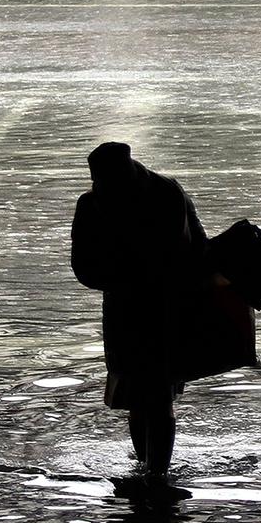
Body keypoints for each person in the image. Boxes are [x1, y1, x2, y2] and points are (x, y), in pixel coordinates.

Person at [71, 141, 207, 485]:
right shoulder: (168, 191)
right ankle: (156, 474)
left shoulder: (95, 203)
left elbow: (84, 268)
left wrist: (116, 278)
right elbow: (199, 249)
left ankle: (151, 473)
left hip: (139, 309)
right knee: (155, 393)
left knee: (145, 393)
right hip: (164, 306)